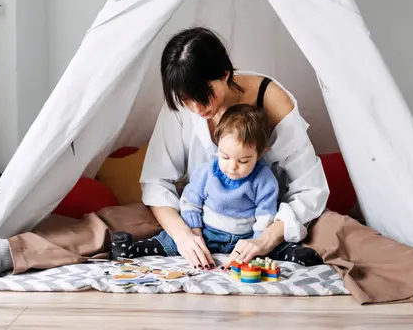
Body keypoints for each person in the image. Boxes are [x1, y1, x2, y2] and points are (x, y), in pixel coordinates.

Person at [0, 27, 413, 305]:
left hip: (265, 224)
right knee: (112, 219)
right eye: (184, 101)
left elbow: (312, 190)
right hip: (197, 220)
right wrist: (181, 234)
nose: (195, 110)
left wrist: (269, 235)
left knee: (342, 230)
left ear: (226, 75)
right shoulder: (182, 107)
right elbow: (158, 181)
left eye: (202, 97)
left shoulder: (271, 102)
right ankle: (4, 253)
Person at [109, 104, 322, 269]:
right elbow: (191, 202)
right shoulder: (206, 172)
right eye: (225, 156)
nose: (232, 167)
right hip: (207, 232)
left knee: (274, 246)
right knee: (170, 240)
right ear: (217, 144)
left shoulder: (264, 180)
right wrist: (193, 233)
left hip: (244, 236)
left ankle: (294, 255)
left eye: (244, 160)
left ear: (261, 154)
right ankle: (133, 250)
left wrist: (256, 244)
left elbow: (265, 215)